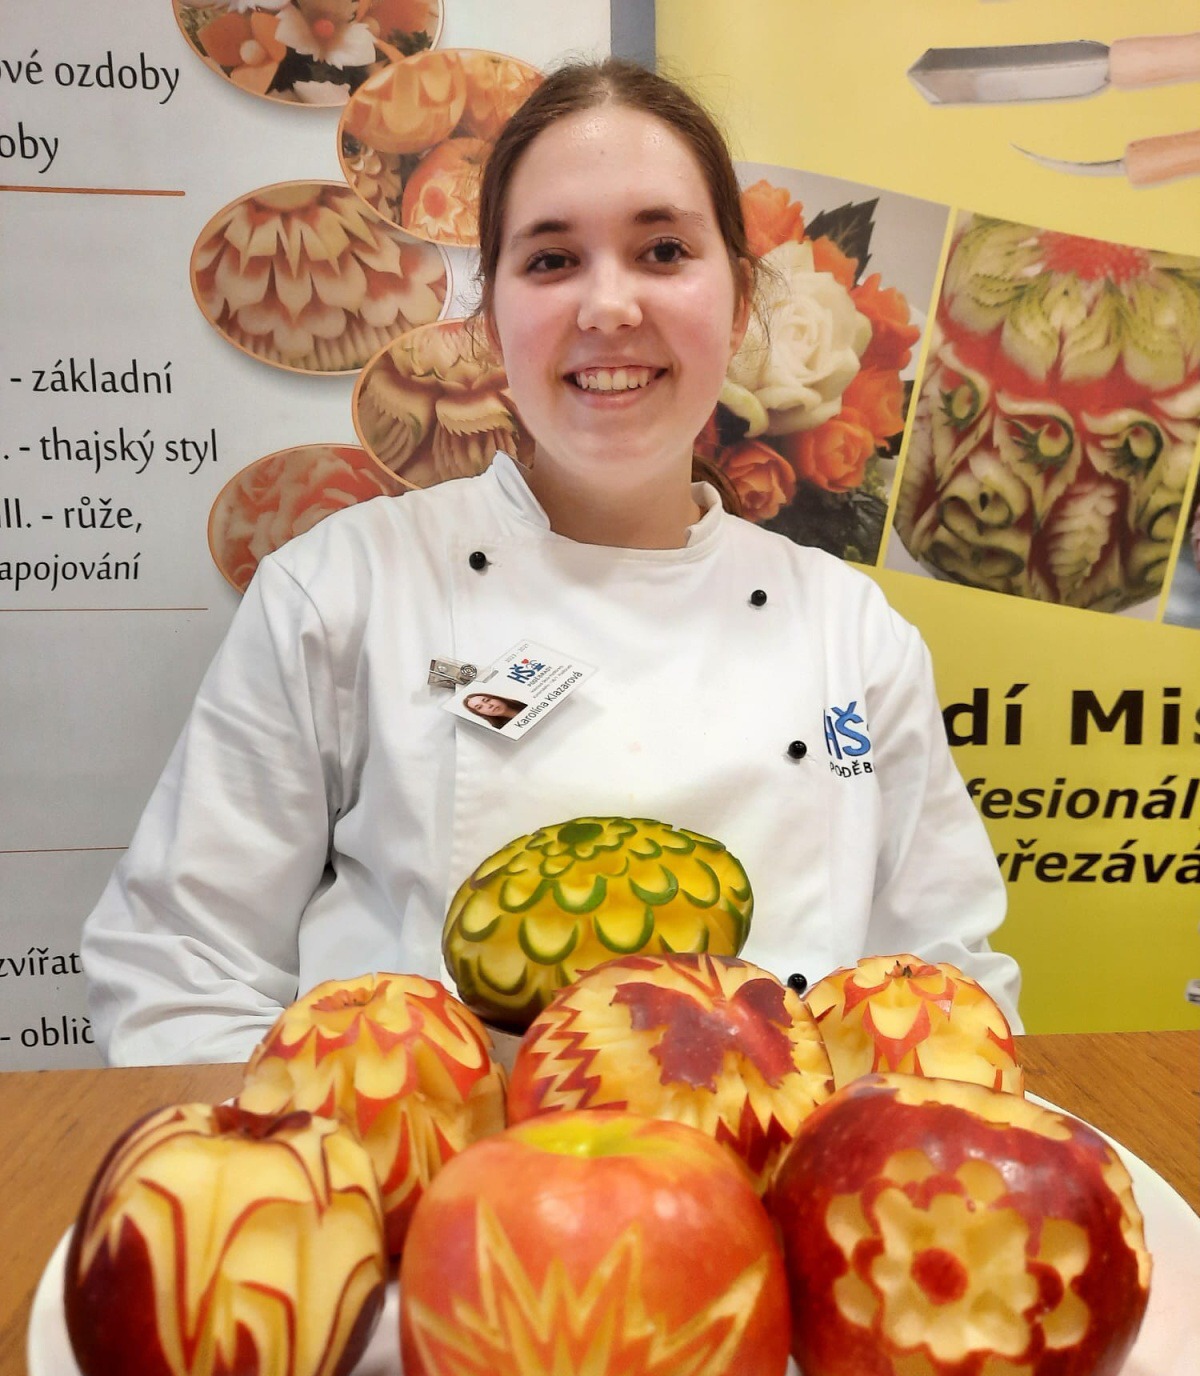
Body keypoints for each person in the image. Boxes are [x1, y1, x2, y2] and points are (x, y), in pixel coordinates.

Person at [82, 58, 1021, 1065]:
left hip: (781, 1158)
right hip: (439, 1162)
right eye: (552, 259)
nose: (608, 305)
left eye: (663, 250)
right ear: (491, 316)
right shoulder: (341, 590)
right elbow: (180, 970)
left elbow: (947, 993)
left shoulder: (854, 633)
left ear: (739, 299)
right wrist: (332, 1141)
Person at [462, 691, 528, 728]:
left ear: (496, 698)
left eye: (487, 700)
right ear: (480, 713)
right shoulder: (501, 729)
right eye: (479, 707)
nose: (489, 705)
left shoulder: (526, 700)